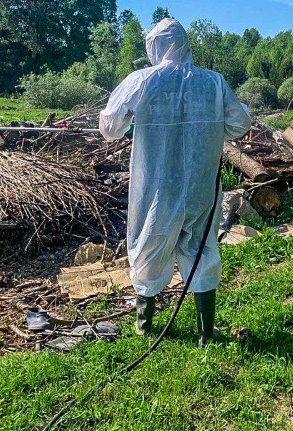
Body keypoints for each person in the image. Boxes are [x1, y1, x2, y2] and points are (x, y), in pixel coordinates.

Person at [99, 18, 251, 344]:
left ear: (154, 46)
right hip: (199, 185)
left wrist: (130, 119)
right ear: (185, 43)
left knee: (147, 248)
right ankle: (205, 334)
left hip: (154, 187)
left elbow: (109, 127)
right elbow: (239, 125)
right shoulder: (213, 82)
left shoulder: (143, 80)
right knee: (201, 249)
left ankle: (144, 328)